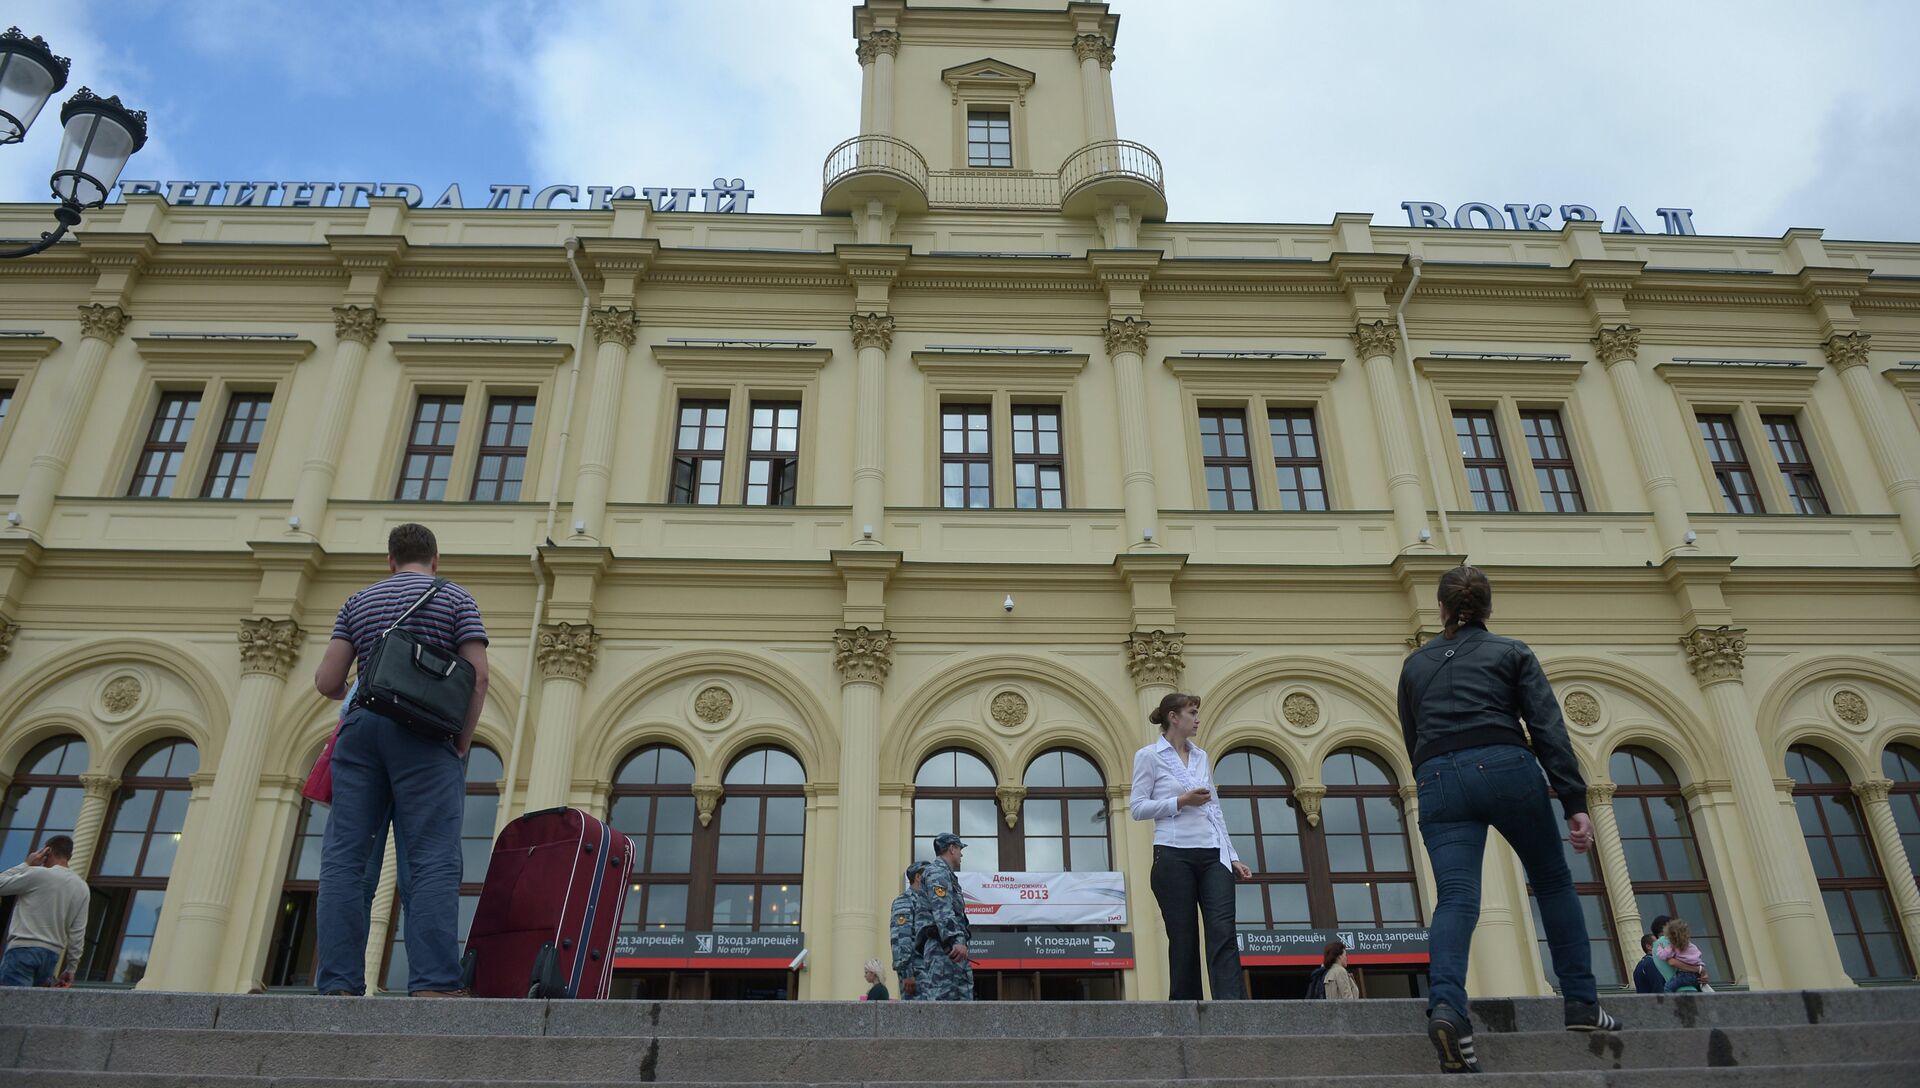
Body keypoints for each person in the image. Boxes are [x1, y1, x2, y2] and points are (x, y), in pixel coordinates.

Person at [1399, 565, 1619, 1074]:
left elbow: (1413, 737)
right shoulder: (1512, 652)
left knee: (1455, 897)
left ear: (1440, 609)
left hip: (1437, 778)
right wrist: (1574, 801)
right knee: (1552, 881)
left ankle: (1449, 1008)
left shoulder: (1414, 665)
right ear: (1488, 609)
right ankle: (1583, 1002)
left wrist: (1439, 774)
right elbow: (1547, 728)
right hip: (1505, 765)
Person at [313, 523, 489, 997]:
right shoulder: (456, 599)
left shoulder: (358, 601)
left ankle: (338, 986)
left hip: (362, 732)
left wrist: (364, 688)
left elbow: (328, 680)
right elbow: (477, 679)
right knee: (431, 857)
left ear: (390, 561)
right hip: (427, 736)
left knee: (346, 860)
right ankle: (433, 984)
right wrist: (461, 743)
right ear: (435, 560)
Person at [1129, 692, 1252, 1000]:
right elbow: (1137, 808)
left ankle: (1232, 1007)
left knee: (1223, 932)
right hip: (1173, 853)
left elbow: (1215, 809)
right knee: (1183, 938)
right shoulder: (1149, 756)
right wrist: (1180, 801)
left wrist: (1232, 855)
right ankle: (1187, 1008)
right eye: (1192, 712)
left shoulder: (1202, 756)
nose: (1197, 718)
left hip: (1214, 854)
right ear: (1174, 717)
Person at [0, 836, 89, 988]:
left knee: (11, 1008)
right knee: (33, 1009)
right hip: (50, 957)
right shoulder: (82, 888)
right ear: (70, 856)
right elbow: (78, 933)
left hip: (22, 950)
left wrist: (27, 864)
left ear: (48, 851)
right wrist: (71, 968)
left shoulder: (38, 874)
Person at [916, 832, 973, 1000]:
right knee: (942, 1004)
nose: (961, 854)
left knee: (961, 1004)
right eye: (960, 849)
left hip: (949, 949)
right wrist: (955, 940)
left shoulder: (946, 874)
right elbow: (942, 910)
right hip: (943, 949)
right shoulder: (937, 873)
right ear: (952, 849)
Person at [889, 862, 927, 999]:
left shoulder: (925, 902)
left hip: (928, 971)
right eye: (928, 875)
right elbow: (900, 938)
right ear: (918, 877)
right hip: (915, 974)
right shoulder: (904, 901)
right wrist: (907, 973)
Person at [1658, 918, 1706, 993]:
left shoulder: (1673, 947)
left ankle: (1669, 1003)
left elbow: (1663, 956)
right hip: (1696, 976)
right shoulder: (1691, 946)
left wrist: (1660, 948)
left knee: (1668, 987)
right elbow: (1698, 957)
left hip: (1684, 975)